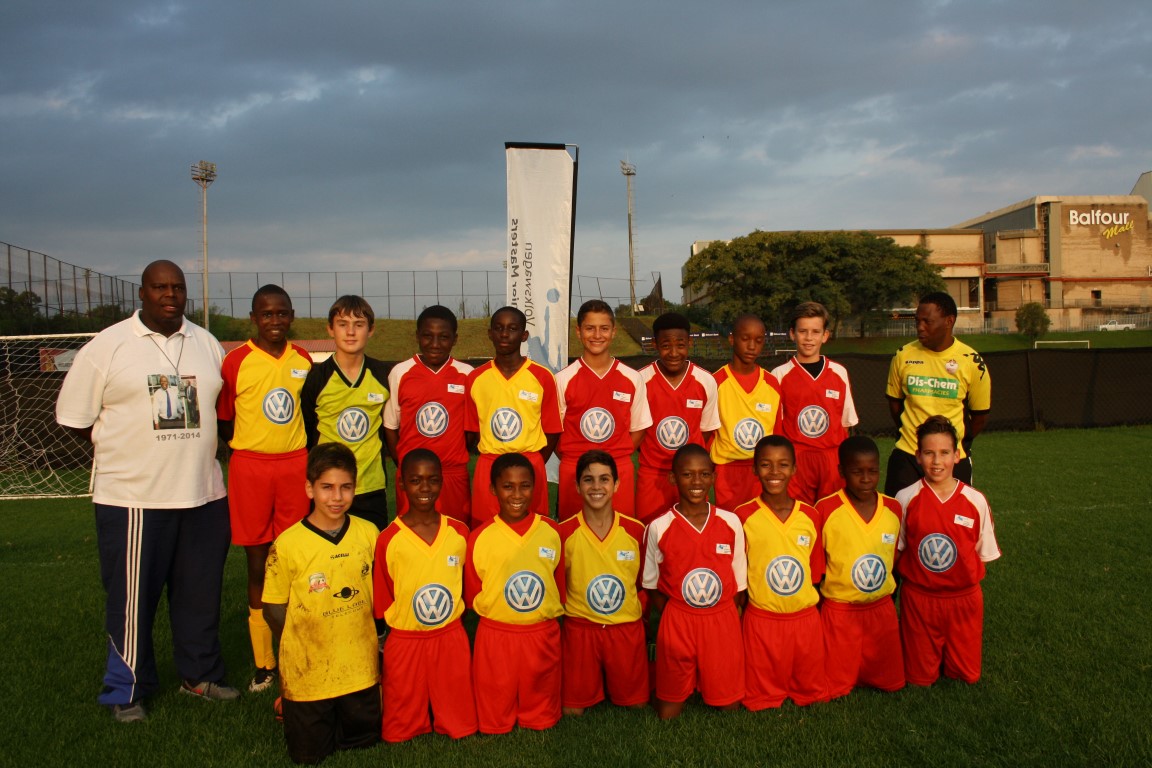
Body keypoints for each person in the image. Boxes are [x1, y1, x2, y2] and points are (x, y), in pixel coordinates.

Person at [56, 260, 237, 722]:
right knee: (132, 601)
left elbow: (221, 412)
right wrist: (125, 450)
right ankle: (127, 689)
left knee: (199, 596)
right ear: (142, 293)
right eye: (160, 287)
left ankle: (200, 675)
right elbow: (74, 418)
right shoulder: (108, 345)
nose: (170, 295)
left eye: (177, 287)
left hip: (203, 495)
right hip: (134, 500)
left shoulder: (206, 343)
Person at [218, 284, 313, 693]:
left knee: (293, 559)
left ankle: (298, 649)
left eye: (281, 313)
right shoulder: (236, 362)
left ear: (291, 315)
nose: (275, 320)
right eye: (267, 314)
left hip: (294, 465)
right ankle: (264, 663)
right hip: (251, 467)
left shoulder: (303, 359)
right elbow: (225, 421)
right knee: (257, 561)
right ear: (253, 318)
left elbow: (307, 414)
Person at [263, 443, 380, 764]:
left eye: (345, 487)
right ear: (309, 488)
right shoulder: (287, 544)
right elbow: (272, 607)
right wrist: (298, 643)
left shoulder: (369, 534)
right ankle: (289, 707)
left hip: (359, 667)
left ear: (356, 487)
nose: (336, 497)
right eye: (327, 487)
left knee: (364, 744)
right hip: (308, 671)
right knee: (309, 755)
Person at [373, 448, 478, 742]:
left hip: (449, 636)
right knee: (399, 728)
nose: (425, 488)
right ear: (402, 483)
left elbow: (465, 588)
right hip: (406, 638)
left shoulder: (459, 533)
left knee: (462, 723)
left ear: (442, 482)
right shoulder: (389, 539)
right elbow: (385, 596)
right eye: (416, 480)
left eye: (432, 480)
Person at [895, 415, 1001, 687]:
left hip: (963, 600)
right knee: (919, 678)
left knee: (966, 676)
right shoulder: (905, 498)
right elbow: (899, 548)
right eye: (929, 453)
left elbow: (981, 553)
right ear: (918, 456)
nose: (936, 461)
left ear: (957, 456)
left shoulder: (975, 501)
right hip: (920, 599)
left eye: (944, 453)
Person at [643, 443, 747, 719]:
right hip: (679, 620)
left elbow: (739, 583)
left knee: (729, 707)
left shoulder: (730, 522)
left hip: (721, 619)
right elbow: (651, 585)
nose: (697, 482)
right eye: (687, 475)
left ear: (714, 477)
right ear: (673, 478)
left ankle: (710, 677)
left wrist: (721, 615)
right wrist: (675, 614)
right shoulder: (659, 526)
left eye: (704, 474)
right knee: (668, 713)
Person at [464, 453, 566, 733]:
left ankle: (538, 713)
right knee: (496, 706)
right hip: (497, 634)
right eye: (508, 486)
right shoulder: (480, 537)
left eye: (525, 486)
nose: (517, 494)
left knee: (541, 704)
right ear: (493, 489)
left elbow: (558, 586)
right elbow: (474, 594)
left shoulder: (551, 532)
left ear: (535, 488)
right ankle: (498, 717)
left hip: (540, 632)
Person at [733, 435, 827, 709]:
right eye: (766, 465)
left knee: (811, 693)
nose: (774, 472)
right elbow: (739, 575)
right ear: (754, 469)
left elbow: (814, 573)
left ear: (794, 468)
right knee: (758, 697)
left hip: (804, 619)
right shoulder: (742, 516)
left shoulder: (810, 516)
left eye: (783, 464)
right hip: (762, 619)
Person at [557, 451, 648, 716]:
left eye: (604, 479)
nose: (596, 486)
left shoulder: (635, 531)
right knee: (572, 712)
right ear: (577, 486)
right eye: (588, 480)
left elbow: (642, 584)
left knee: (637, 706)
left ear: (616, 485)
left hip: (624, 629)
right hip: (581, 630)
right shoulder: (563, 533)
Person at [815, 436, 905, 699]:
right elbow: (818, 564)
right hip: (840, 610)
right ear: (842, 471)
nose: (866, 479)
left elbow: (894, 557)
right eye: (857, 472)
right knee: (835, 687)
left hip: (880, 608)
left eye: (872, 471)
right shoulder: (826, 509)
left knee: (892, 683)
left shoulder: (893, 508)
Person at [885, 291, 991, 495]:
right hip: (908, 455)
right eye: (917, 321)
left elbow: (980, 416)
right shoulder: (902, 356)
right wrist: (913, 434)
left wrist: (954, 442)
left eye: (927, 321)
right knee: (898, 514)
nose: (920, 327)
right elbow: (895, 404)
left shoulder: (972, 362)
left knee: (952, 516)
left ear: (949, 321)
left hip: (952, 460)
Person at [301, 295, 393, 531]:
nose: (350, 332)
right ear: (330, 329)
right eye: (342, 324)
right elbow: (308, 429)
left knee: (371, 549)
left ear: (371, 330)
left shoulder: (383, 375)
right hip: (329, 486)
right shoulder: (317, 378)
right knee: (328, 549)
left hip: (370, 485)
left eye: (359, 325)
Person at [555, 300, 651, 520]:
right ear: (578, 332)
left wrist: (615, 456)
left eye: (604, 328)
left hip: (618, 467)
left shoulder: (632, 378)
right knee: (574, 536)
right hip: (575, 468)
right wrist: (576, 459)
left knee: (621, 535)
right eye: (590, 328)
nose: (597, 335)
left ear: (613, 332)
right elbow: (555, 433)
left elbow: (639, 429)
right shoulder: (563, 379)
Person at [465, 306, 561, 524]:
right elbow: (472, 430)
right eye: (499, 328)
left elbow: (552, 431)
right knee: (485, 531)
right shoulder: (476, 378)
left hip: (530, 463)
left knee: (533, 532)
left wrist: (533, 464)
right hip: (489, 464)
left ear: (524, 335)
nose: (505, 334)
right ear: (490, 333)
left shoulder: (542, 377)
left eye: (512, 328)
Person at [382, 305, 473, 525]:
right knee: (412, 533)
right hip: (413, 474)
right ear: (417, 336)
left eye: (443, 337)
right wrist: (405, 465)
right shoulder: (401, 372)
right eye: (427, 336)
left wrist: (456, 451)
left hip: (452, 473)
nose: (435, 344)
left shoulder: (467, 375)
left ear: (455, 339)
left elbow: (471, 430)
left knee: (456, 533)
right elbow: (391, 426)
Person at [636, 312, 720, 523]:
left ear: (689, 343)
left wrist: (688, 461)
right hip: (652, 475)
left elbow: (706, 430)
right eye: (666, 346)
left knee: (690, 532)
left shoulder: (706, 381)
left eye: (680, 345)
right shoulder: (640, 380)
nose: (674, 353)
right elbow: (636, 430)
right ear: (655, 345)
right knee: (650, 532)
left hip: (692, 476)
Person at [771, 302, 858, 505]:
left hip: (831, 459)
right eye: (803, 331)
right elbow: (777, 425)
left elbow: (845, 423)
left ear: (825, 335)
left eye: (815, 332)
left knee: (831, 514)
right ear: (792, 334)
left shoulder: (839, 372)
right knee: (799, 516)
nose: (809, 338)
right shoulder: (779, 375)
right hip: (796, 459)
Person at [710, 314, 783, 511]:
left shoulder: (771, 384)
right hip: (727, 470)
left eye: (758, 341)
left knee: (760, 523)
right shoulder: (716, 383)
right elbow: (708, 434)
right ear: (732, 339)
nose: (752, 346)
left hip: (763, 471)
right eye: (745, 339)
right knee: (731, 524)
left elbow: (777, 433)